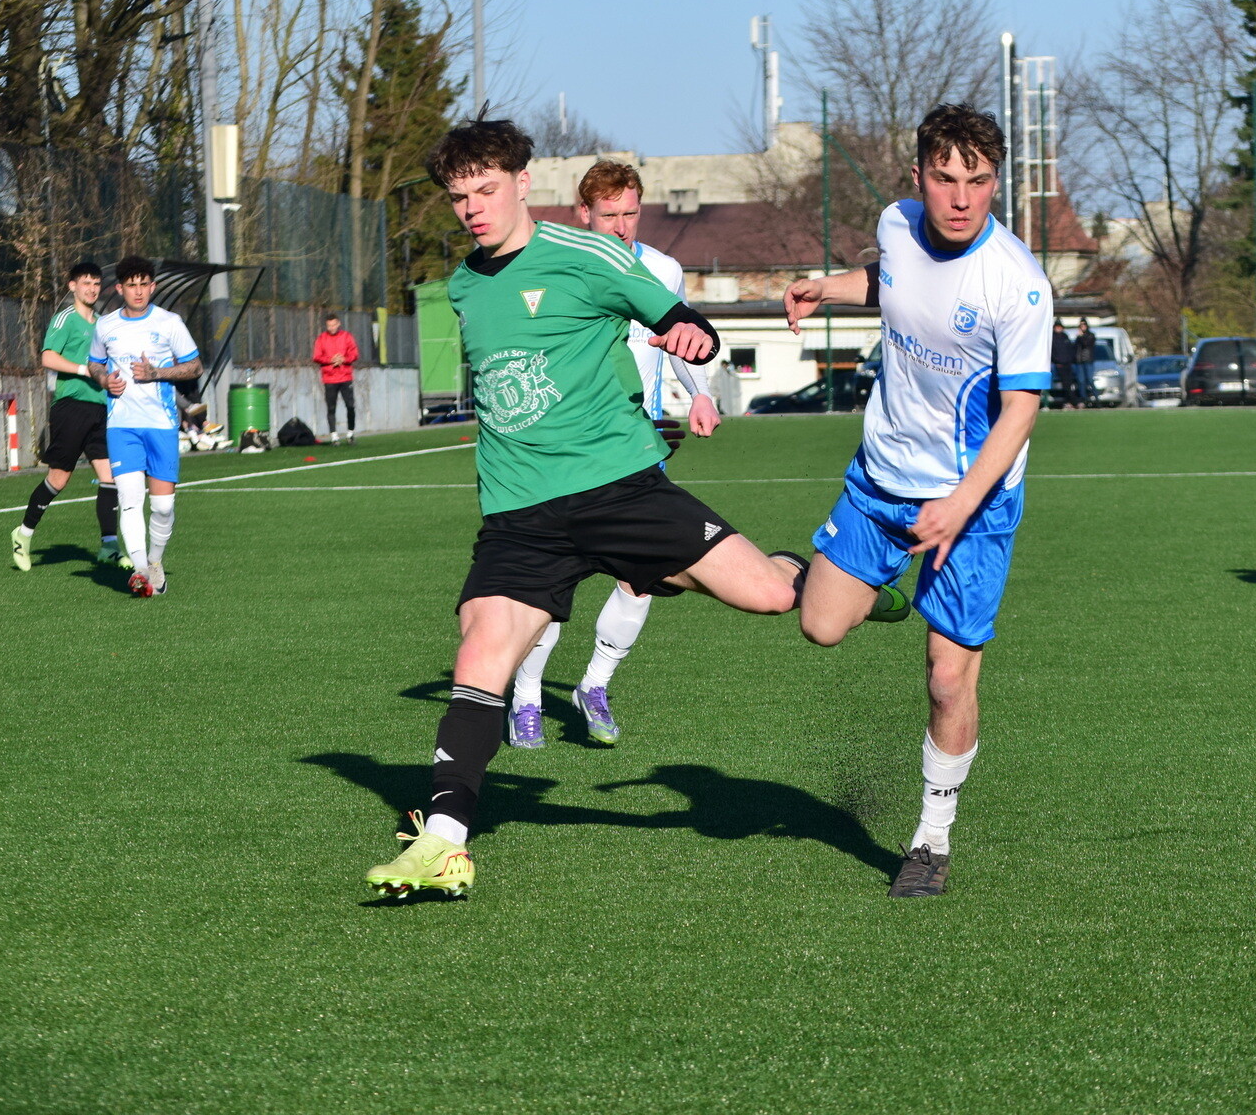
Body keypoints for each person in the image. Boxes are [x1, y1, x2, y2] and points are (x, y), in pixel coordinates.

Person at [364, 118, 903, 898]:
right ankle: (444, 843)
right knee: (480, 652)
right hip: (520, 516)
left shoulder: (590, 255)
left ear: (523, 183)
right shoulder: (464, 286)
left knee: (770, 595)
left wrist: (688, 337)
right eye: (458, 197)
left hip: (619, 491)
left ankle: (851, 584)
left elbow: (683, 321)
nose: (473, 207)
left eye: (486, 189)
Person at [783, 103, 1051, 898]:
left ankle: (931, 839)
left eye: (980, 180)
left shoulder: (1018, 284)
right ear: (917, 177)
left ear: (996, 181)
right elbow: (890, 281)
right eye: (945, 178)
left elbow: (1021, 410)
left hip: (973, 503)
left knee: (947, 681)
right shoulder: (897, 225)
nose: (962, 198)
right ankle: (889, 594)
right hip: (881, 479)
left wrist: (961, 504)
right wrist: (826, 287)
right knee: (820, 625)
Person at [507, 160, 726, 750]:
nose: (623, 226)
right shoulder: (555, 265)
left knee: (641, 577)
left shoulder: (663, 269)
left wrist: (700, 393)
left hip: (636, 450)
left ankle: (594, 686)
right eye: (610, 215)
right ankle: (526, 697)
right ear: (584, 213)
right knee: (549, 583)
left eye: (631, 213)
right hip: (564, 453)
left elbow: (679, 337)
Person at [86, 256, 203, 597]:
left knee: (163, 507)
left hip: (161, 425)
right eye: (131, 285)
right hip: (122, 427)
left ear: (153, 287)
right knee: (130, 500)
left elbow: (195, 366)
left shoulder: (169, 323)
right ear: (119, 289)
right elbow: (94, 364)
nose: (138, 291)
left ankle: (154, 561)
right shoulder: (106, 326)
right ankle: (139, 571)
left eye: (143, 285)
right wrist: (104, 380)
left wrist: (157, 373)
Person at [12, 261, 125, 572]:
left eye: (96, 283)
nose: (91, 288)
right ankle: (23, 534)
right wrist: (83, 369)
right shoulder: (65, 318)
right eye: (85, 283)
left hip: (100, 408)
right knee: (59, 479)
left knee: (110, 477)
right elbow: (48, 357)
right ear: (72, 286)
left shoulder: (103, 323)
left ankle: (109, 546)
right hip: (71, 406)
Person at [312, 314, 359, 444]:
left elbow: (354, 353)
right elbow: (316, 356)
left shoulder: (347, 336)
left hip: (345, 377)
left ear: (338, 324)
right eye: (329, 325)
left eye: (334, 325)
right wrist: (331, 360)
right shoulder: (321, 339)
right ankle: (334, 436)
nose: (332, 328)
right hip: (330, 378)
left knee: (350, 406)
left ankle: (350, 433)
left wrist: (344, 359)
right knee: (331, 408)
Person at [1072, 318, 1097, 407]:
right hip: (1079, 362)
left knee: (1089, 380)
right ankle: (1083, 399)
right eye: (1081, 325)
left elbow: (1086, 344)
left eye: (1084, 325)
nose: (1082, 327)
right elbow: (1075, 348)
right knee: (1081, 381)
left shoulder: (1091, 335)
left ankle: (1096, 398)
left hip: (1088, 360)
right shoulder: (1078, 337)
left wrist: (1080, 336)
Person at [1050, 318, 1075, 408]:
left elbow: (1070, 349)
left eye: (1060, 327)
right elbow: (1052, 351)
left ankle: (1071, 401)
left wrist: (1070, 359)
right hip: (1059, 364)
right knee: (1065, 384)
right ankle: (1069, 401)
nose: (1058, 328)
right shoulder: (1052, 337)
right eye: (1057, 327)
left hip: (1067, 363)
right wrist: (1056, 361)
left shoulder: (1065, 336)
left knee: (1069, 383)